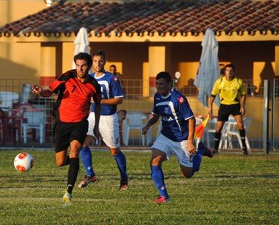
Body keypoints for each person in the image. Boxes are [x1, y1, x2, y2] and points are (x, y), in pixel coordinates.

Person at [32, 52, 101, 203]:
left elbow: (98, 105)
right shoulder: (66, 77)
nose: (80, 68)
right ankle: (74, 168)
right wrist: (40, 92)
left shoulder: (94, 85)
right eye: (78, 65)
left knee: (75, 150)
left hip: (80, 123)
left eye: (83, 66)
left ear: (88, 66)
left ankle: (68, 192)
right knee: (60, 162)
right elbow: (49, 91)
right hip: (62, 123)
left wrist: (95, 126)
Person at [141, 72, 213, 204]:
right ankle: (164, 196)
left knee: (187, 174)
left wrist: (190, 142)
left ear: (170, 84)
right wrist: (147, 125)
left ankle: (200, 151)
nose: (158, 86)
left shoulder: (178, 98)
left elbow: (191, 119)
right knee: (154, 161)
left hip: (183, 138)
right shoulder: (157, 97)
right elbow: (156, 115)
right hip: (166, 136)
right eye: (157, 84)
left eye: (161, 84)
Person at [78, 50, 128, 191]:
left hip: (108, 118)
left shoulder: (112, 79)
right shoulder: (89, 78)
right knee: (82, 143)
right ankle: (90, 174)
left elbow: (119, 99)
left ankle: (124, 176)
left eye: (100, 61)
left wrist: (101, 101)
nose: (97, 64)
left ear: (104, 62)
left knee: (114, 151)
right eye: (95, 61)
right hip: (93, 116)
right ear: (91, 63)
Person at [208, 63, 248, 155]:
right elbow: (212, 95)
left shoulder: (238, 81)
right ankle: (215, 149)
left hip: (235, 105)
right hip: (224, 106)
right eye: (227, 70)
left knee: (240, 124)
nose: (229, 72)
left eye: (231, 71)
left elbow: (243, 94)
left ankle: (244, 148)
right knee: (219, 127)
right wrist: (210, 107)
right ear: (224, 72)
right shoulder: (219, 81)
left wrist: (242, 106)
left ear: (234, 72)